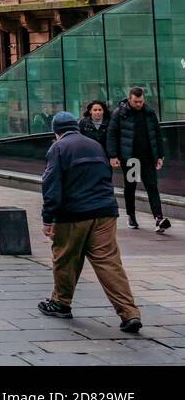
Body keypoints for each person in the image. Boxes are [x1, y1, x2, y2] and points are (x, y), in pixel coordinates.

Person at [38, 112, 142, 332]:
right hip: (105, 211)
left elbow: (51, 184)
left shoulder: (58, 148)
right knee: (109, 263)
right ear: (75, 127)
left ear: (56, 131)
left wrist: (48, 218)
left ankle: (61, 303)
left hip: (73, 213)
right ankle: (129, 313)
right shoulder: (95, 145)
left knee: (65, 258)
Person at [106, 87, 169, 233]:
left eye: (141, 101)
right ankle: (131, 216)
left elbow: (157, 135)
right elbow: (112, 134)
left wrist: (160, 155)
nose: (139, 104)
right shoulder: (120, 113)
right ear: (129, 99)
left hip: (147, 157)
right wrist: (113, 155)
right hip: (131, 159)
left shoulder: (149, 113)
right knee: (131, 187)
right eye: (136, 102)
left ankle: (158, 218)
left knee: (152, 186)